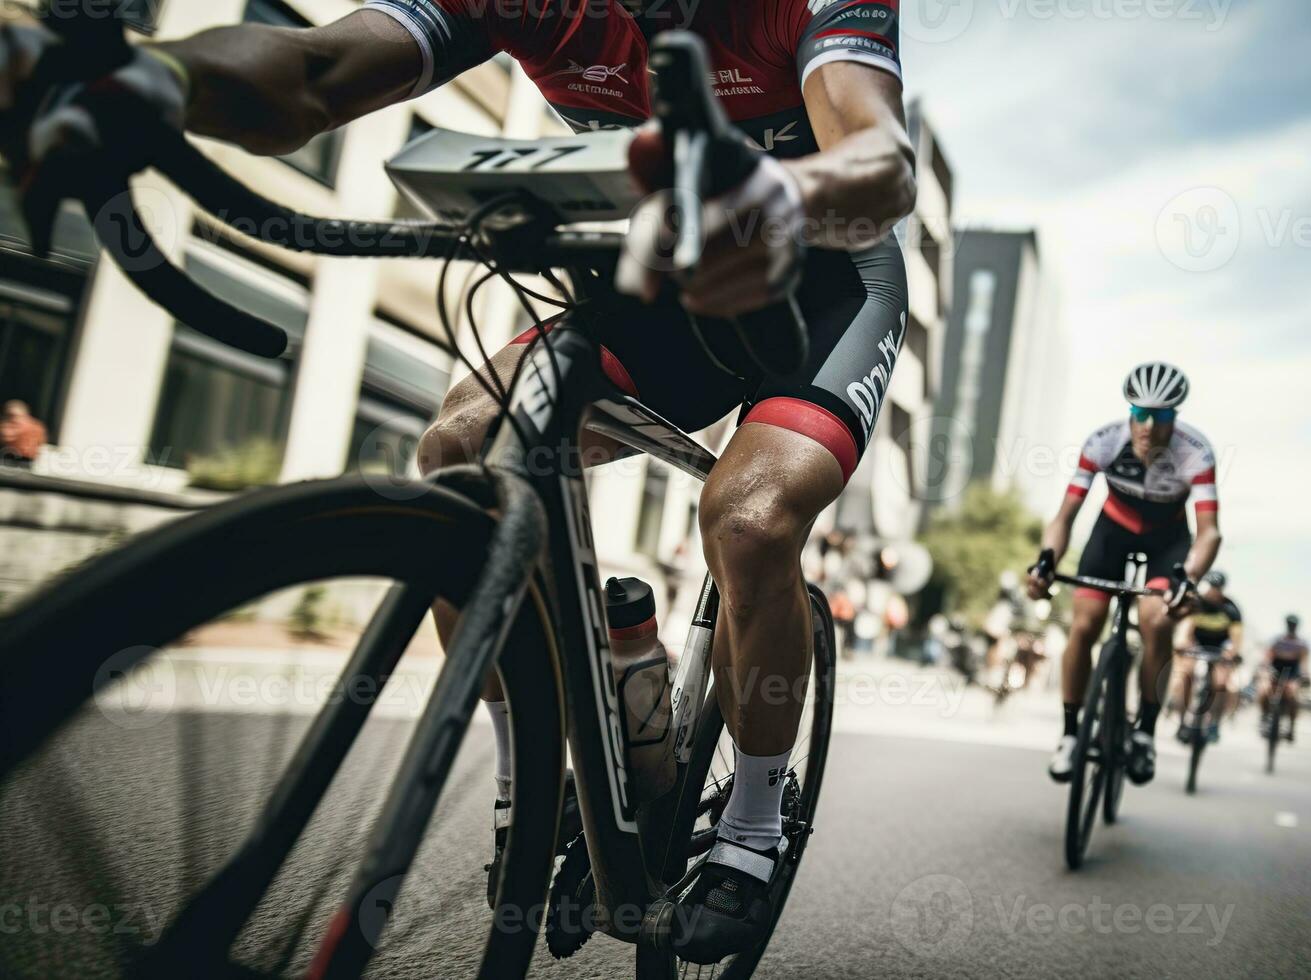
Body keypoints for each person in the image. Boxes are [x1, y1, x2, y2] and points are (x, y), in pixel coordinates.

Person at [0, 1, 913, 963]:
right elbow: (317, 66)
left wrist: (777, 200)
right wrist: (158, 79)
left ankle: (753, 825)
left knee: (748, 522)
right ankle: (546, 775)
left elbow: (877, 155)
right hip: (661, 278)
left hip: (824, 289)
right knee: (462, 444)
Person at [1026, 362, 1222, 787]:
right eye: (1140, 414)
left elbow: (1209, 534)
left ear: (1177, 416)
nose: (1149, 425)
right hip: (1110, 533)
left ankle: (1146, 731)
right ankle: (1070, 734)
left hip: (1166, 542)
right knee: (1085, 624)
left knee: (1156, 620)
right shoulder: (1103, 441)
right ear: (1129, 413)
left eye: (1162, 416)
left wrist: (1188, 577)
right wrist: (1046, 561)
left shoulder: (1196, 453)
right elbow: (1064, 517)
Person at [1174, 570, 1242, 742]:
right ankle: (1182, 723)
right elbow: (1186, 628)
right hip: (1197, 644)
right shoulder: (1197, 603)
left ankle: (1214, 724)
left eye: (1217, 588)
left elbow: (1236, 639)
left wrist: (1232, 654)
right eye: (1211, 587)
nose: (1213, 591)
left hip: (1220, 648)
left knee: (1222, 684)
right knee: (1183, 678)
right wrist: (1182, 643)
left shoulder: (1231, 609)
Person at [1257, 614, 1308, 742]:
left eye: (1294, 625)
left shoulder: (1302, 644)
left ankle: (1291, 727)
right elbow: (1267, 658)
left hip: (1292, 674)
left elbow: (1304, 663)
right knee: (1264, 691)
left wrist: (1304, 676)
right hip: (1275, 670)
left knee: (1294, 696)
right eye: (1290, 624)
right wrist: (1263, 670)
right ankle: (1264, 717)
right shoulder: (1277, 640)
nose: (1291, 627)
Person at [0, 401, 46, 467]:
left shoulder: (15, 425)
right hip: (28, 458)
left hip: (15, 457)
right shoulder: (37, 426)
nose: (10, 418)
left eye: (12, 415)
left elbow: (6, 437)